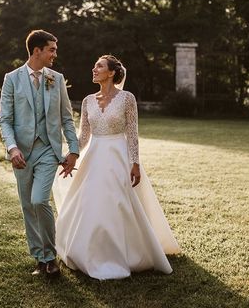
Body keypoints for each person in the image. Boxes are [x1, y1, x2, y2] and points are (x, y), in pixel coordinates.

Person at [54, 55, 181, 280]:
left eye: (99, 66)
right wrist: (70, 155)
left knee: (117, 203)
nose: (94, 69)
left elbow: (132, 134)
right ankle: (89, 252)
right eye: (94, 65)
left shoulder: (127, 98)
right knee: (91, 203)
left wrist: (135, 163)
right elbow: (83, 136)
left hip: (117, 157)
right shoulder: (87, 101)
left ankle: (126, 254)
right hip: (93, 157)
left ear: (111, 72)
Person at [0, 29, 79, 277]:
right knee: (27, 205)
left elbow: (67, 118)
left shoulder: (56, 78)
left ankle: (50, 256)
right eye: (52, 49)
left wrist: (73, 150)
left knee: (39, 200)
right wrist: (12, 148)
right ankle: (41, 258)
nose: (55, 54)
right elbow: (5, 120)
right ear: (37, 51)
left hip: (48, 151)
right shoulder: (12, 78)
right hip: (21, 153)